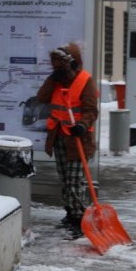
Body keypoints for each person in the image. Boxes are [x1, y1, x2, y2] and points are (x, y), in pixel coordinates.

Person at [36, 42, 99, 240]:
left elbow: (91, 110)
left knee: (74, 182)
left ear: (72, 63)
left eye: (60, 65)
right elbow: (42, 98)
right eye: (54, 65)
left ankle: (81, 220)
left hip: (77, 139)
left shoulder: (84, 81)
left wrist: (82, 124)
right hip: (58, 137)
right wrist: (52, 79)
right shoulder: (56, 80)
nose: (57, 69)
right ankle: (71, 214)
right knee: (65, 179)